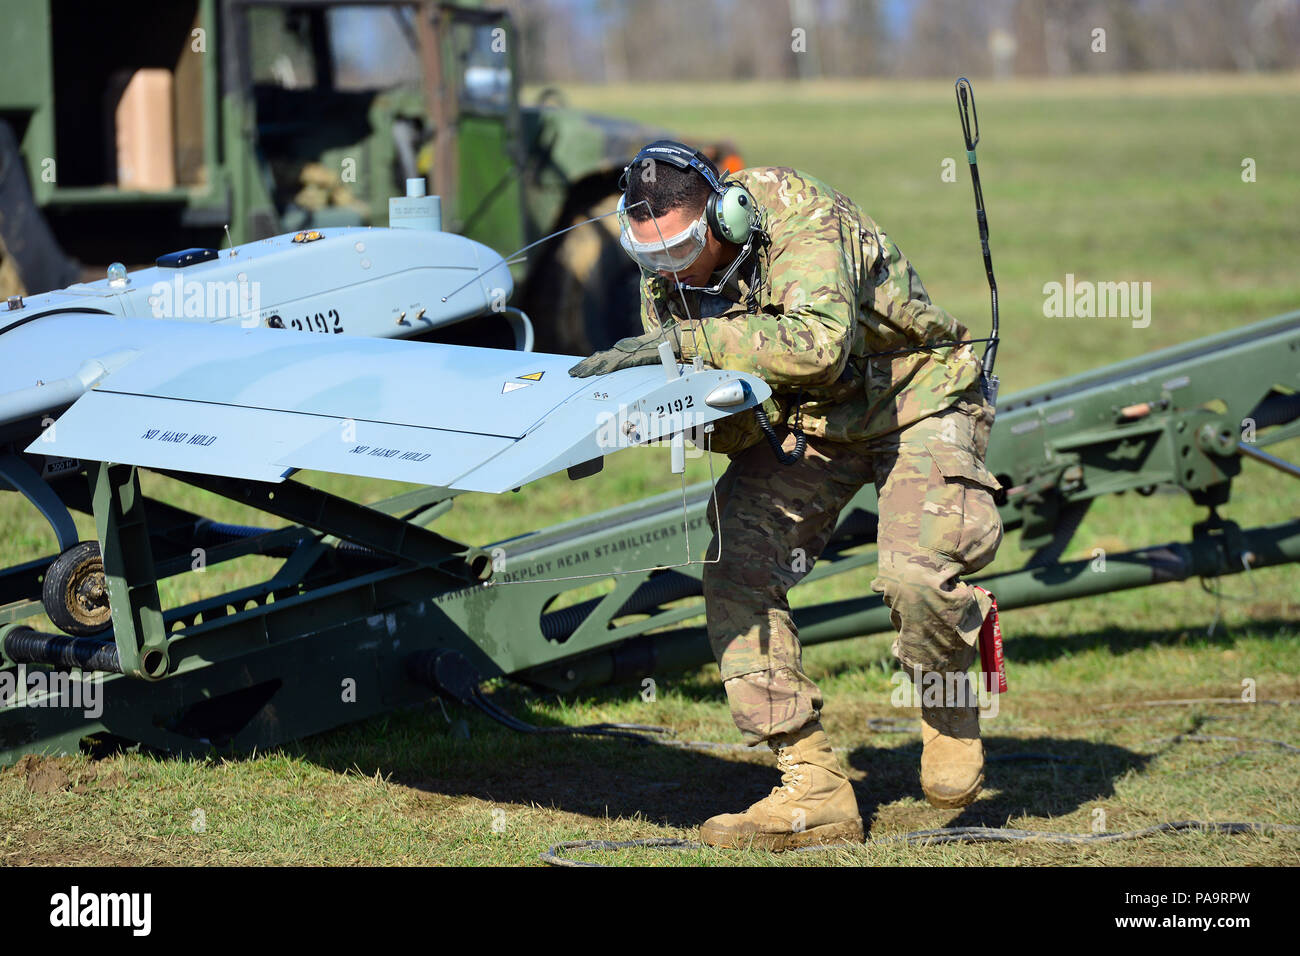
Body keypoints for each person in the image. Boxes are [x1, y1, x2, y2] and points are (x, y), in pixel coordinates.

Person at [568, 140, 1003, 850]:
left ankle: (948, 701)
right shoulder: (666, 278)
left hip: (919, 399)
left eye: (678, 250)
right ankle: (813, 788)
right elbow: (731, 416)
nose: (666, 272)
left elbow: (819, 344)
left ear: (725, 217)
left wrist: (696, 346)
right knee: (735, 568)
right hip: (812, 422)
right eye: (648, 258)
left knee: (914, 572)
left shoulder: (798, 216)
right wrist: (645, 419)